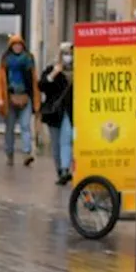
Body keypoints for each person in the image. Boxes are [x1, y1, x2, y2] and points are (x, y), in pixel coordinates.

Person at [0, 35, 40, 167]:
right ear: (10, 46)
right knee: (9, 128)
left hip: (25, 97)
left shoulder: (29, 60)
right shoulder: (5, 61)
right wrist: (0, 98)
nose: (17, 47)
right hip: (10, 98)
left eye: (19, 44)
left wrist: (35, 98)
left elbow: (33, 80)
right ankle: (9, 153)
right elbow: (0, 81)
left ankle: (27, 153)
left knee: (25, 126)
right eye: (15, 45)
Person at [40, 45, 75, 185]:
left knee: (66, 140)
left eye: (71, 54)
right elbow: (41, 86)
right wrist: (54, 73)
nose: (68, 56)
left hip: (70, 111)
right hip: (54, 112)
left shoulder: (78, 70)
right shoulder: (51, 69)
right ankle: (60, 170)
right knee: (55, 144)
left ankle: (66, 169)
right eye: (66, 53)